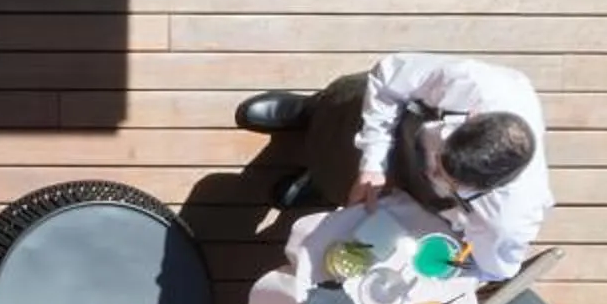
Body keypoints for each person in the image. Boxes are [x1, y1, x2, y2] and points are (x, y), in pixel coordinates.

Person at [236, 52, 554, 282]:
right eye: (440, 160)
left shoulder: (511, 218)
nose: (432, 172)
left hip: (408, 200)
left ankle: (320, 185)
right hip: (393, 127)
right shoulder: (475, 84)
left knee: (344, 188)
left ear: (493, 189)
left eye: (449, 182)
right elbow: (387, 78)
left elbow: (493, 268)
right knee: (343, 110)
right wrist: (373, 163)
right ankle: (310, 111)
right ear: (472, 116)